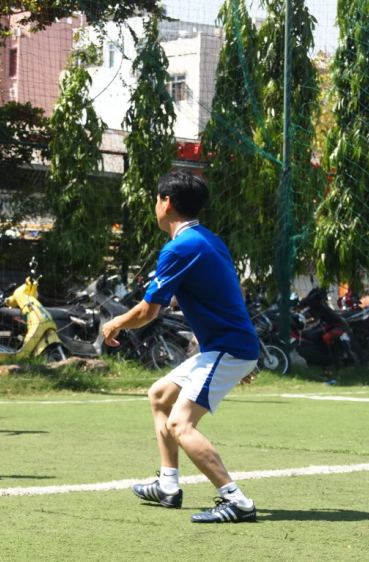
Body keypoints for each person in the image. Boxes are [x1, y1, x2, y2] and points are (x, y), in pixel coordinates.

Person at [102, 170, 260, 523]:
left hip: (227, 348)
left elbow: (147, 312)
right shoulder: (208, 239)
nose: (155, 206)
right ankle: (168, 485)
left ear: (166, 202)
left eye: (156, 199)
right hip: (227, 348)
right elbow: (229, 296)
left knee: (180, 424)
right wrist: (242, 359)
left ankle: (237, 501)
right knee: (159, 395)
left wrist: (114, 323)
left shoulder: (179, 247)